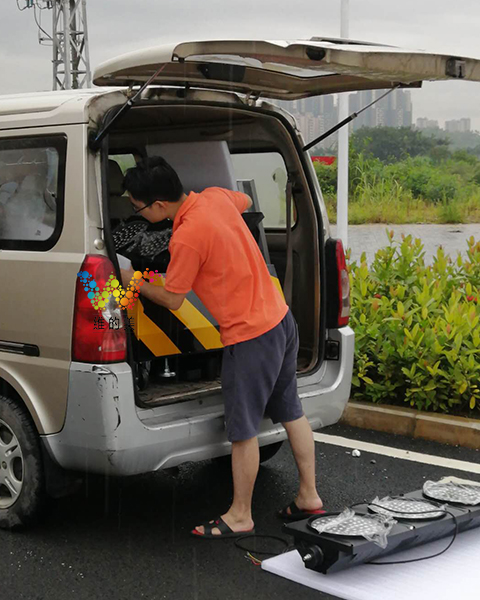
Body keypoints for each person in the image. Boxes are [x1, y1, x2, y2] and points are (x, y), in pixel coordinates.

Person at [120, 157, 324, 539]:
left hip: (249, 336)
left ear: (159, 206)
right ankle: (309, 496)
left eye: (137, 207)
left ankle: (240, 515)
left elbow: (173, 299)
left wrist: (133, 280)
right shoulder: (215, 198)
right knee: (292, 411)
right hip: (281, 319)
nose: (135, 213)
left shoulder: (186, 236)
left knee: (243, 431)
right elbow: (243, 203)